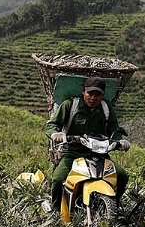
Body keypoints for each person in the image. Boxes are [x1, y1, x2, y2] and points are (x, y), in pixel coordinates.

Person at [44, 76, 130, 212]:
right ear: (83, 91)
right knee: (58, 179)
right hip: (72, 153)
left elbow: (114, 129)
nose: (93, 98)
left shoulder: (106, 108)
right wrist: (56, 134)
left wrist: (119, 141)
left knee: (121, 176)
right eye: (90, 93)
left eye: (98, 94)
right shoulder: (70, 105)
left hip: (99, 154)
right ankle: (55, 212)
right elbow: (52, 125)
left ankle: (113, 207)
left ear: (103, 95)